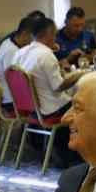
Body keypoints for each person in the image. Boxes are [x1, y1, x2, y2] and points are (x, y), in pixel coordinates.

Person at [12, 17, 80, 167]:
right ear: (49, 34)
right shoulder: (46, 55)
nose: (56, 37)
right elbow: (58, 86)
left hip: (29, 109)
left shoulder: (19, 53)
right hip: (49, 110)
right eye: (54, 34)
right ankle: (73, 156)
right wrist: (78, 75)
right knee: (84, 104)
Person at [0, 16, 35, 109]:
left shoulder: (9, 41)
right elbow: (17, 82)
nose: (33, 42)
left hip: (12, 91)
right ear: (24, 34)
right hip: (11, 99)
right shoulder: (11, 51)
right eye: (33, 38)